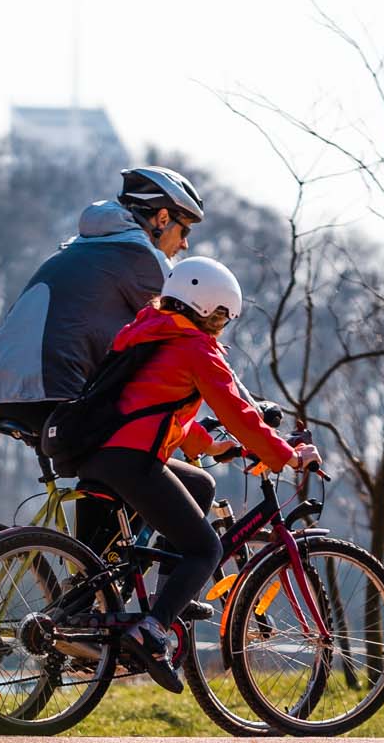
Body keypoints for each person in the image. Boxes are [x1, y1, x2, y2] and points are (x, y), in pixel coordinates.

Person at [74, 255, 318, 692]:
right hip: (133, 458)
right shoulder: (196, 348)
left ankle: (168, 600)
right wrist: (289, 457)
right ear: (208, 308)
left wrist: (210, 446)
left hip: (104, 450)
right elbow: (242, 414)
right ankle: (152, 630)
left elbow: (155, 408)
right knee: (206, 549)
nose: (224, 325)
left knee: (200, 482)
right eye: (224, 315)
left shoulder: (149, 328)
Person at [0, 168, 207, 551]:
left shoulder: (81, 247)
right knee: (141, 464)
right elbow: (192, 347)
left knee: (114, 460)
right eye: (184, 231)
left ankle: (94, 581)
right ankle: (93, 596)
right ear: (162, 219)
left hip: (2, 389)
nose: (184, 245)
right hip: (51, 394)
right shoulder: (141, 258)